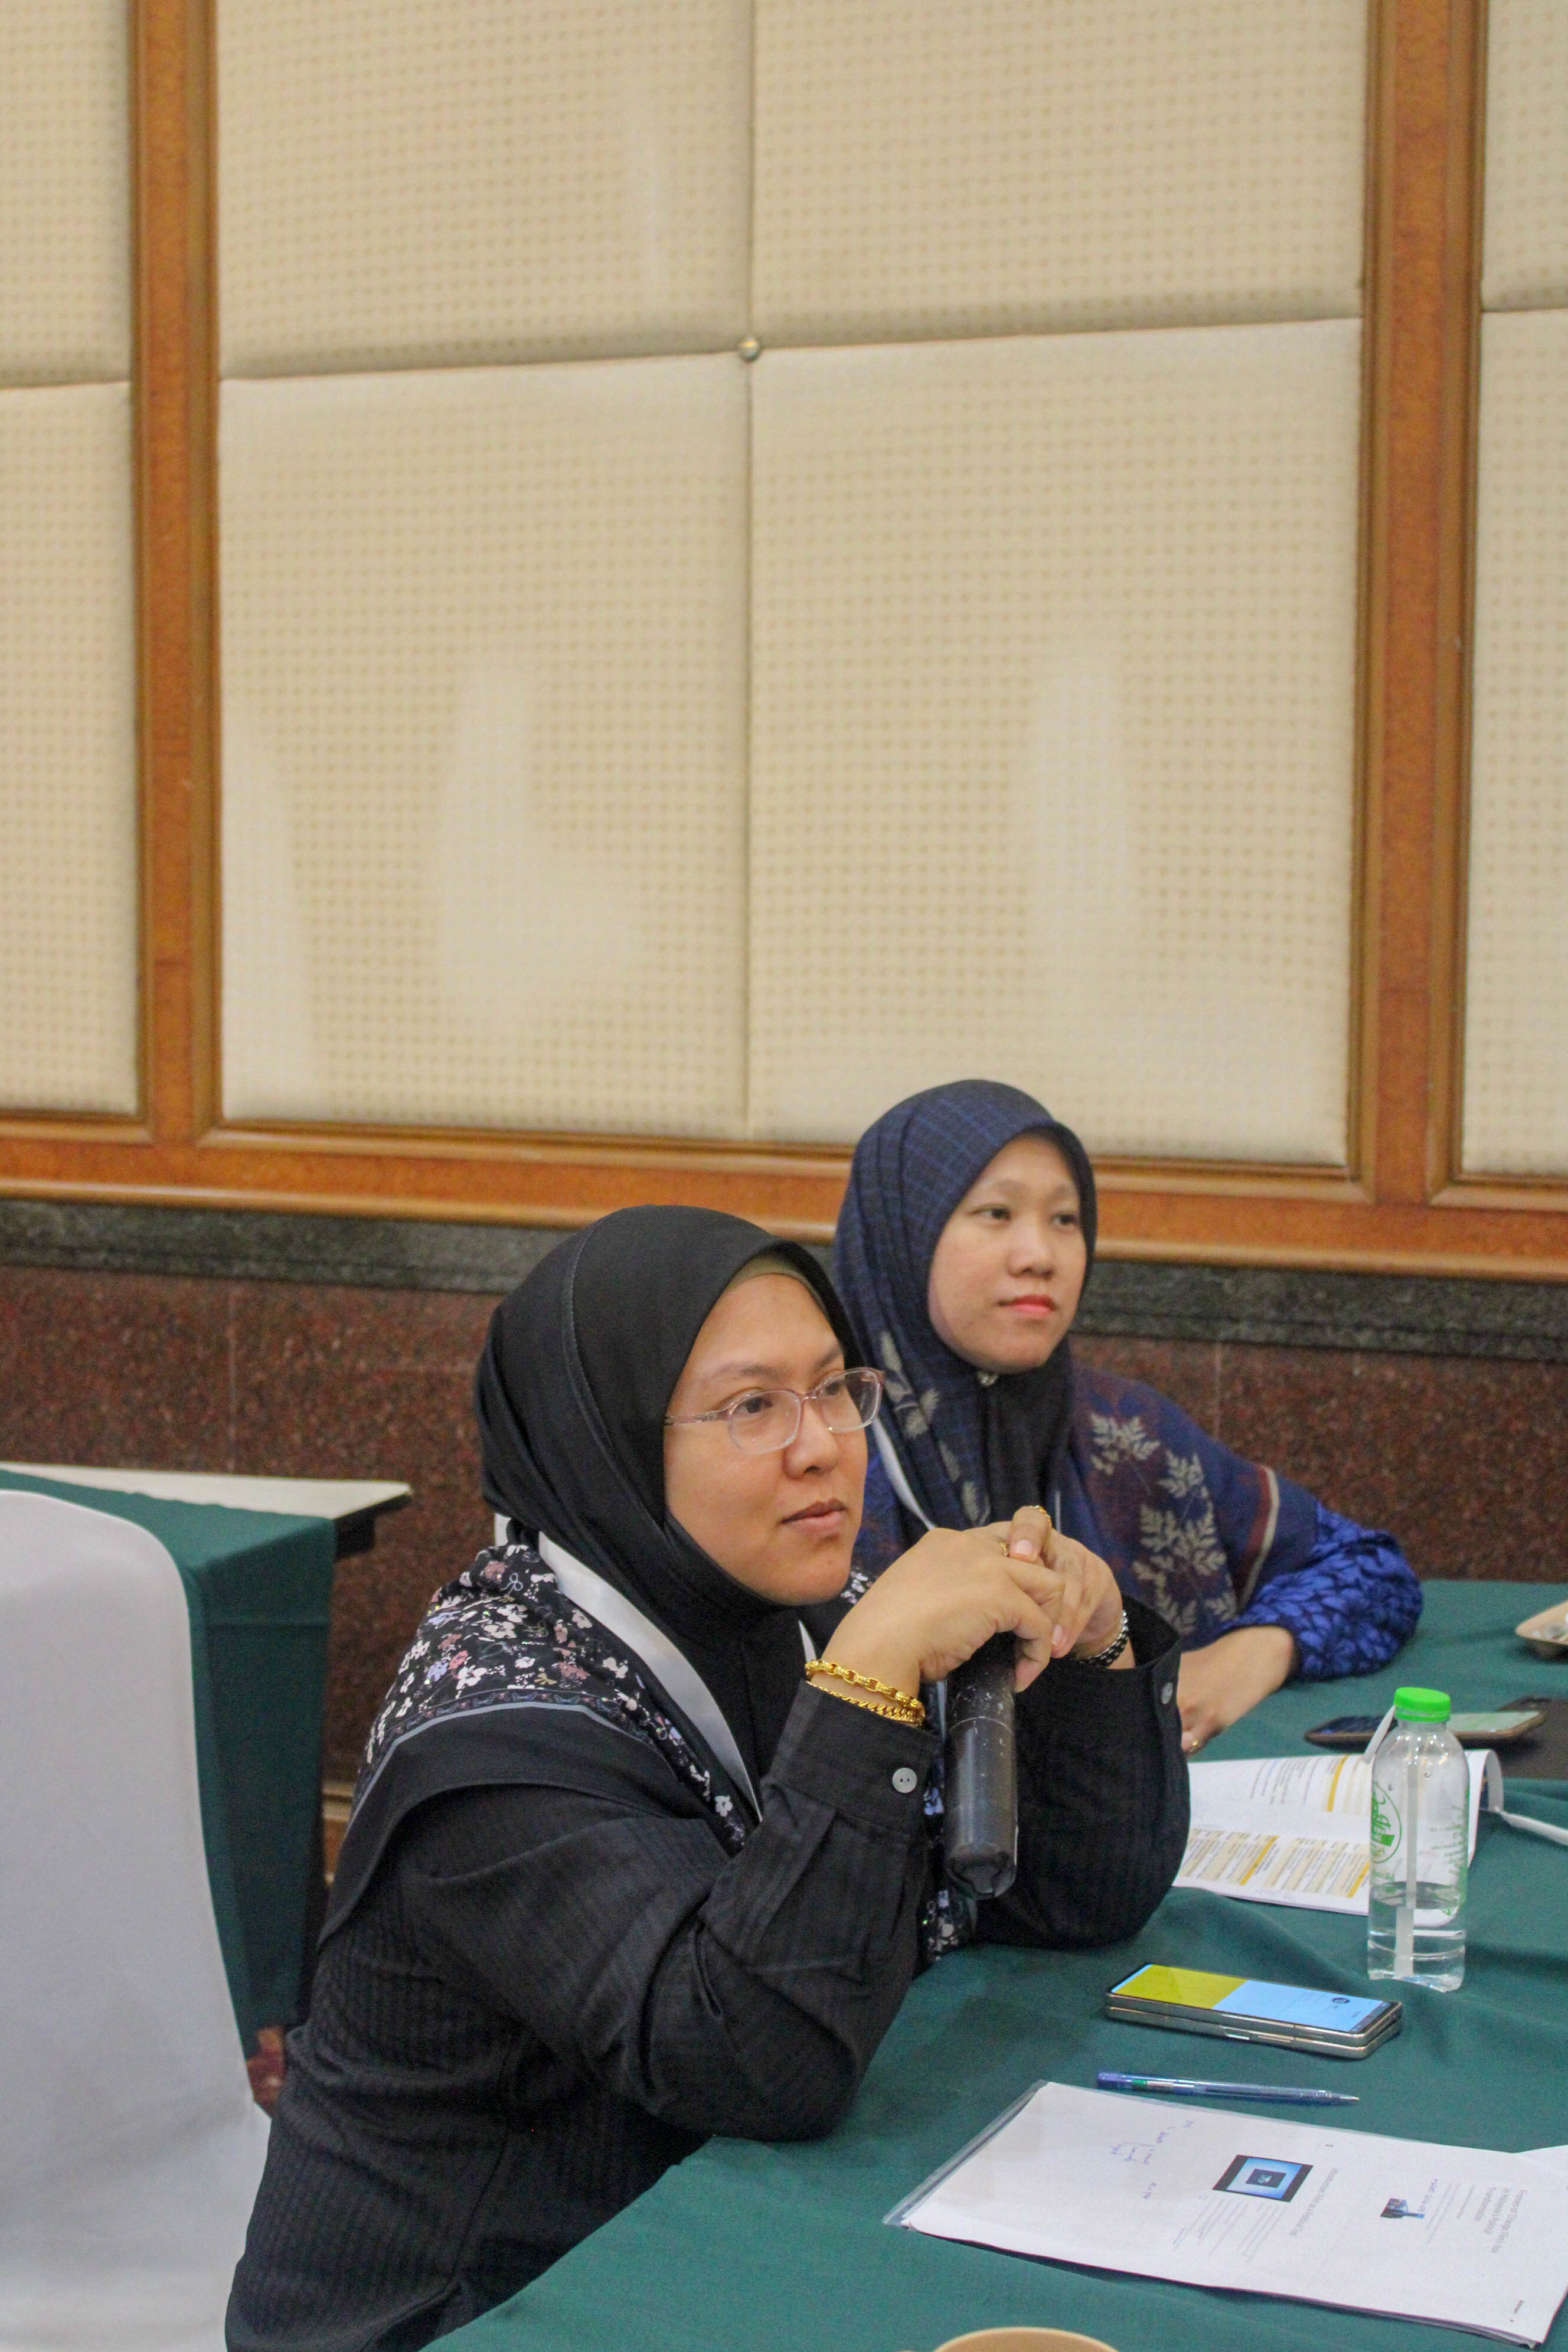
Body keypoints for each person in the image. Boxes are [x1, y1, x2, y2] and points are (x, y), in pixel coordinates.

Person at [228, 1207, 1187, 2350]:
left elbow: (1070, 1896)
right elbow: (749, 2059)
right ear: (607, 1443)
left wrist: (1093, 1641)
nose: (822, 1445)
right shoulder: (491, 1739)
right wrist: (871, 1679)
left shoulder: (790, 1614)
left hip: (691, 2244)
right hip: (466, 2312)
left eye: (831, 1388)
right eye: (751, 1407)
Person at [836, 1081, 1422, 1756]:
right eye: (996, 1213)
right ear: (900, 1235)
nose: (1040, 1255)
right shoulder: (823, 1452)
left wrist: (1253, 1654)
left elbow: (1367, 1569)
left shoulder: (1117, 1430)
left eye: (1065, 1219)